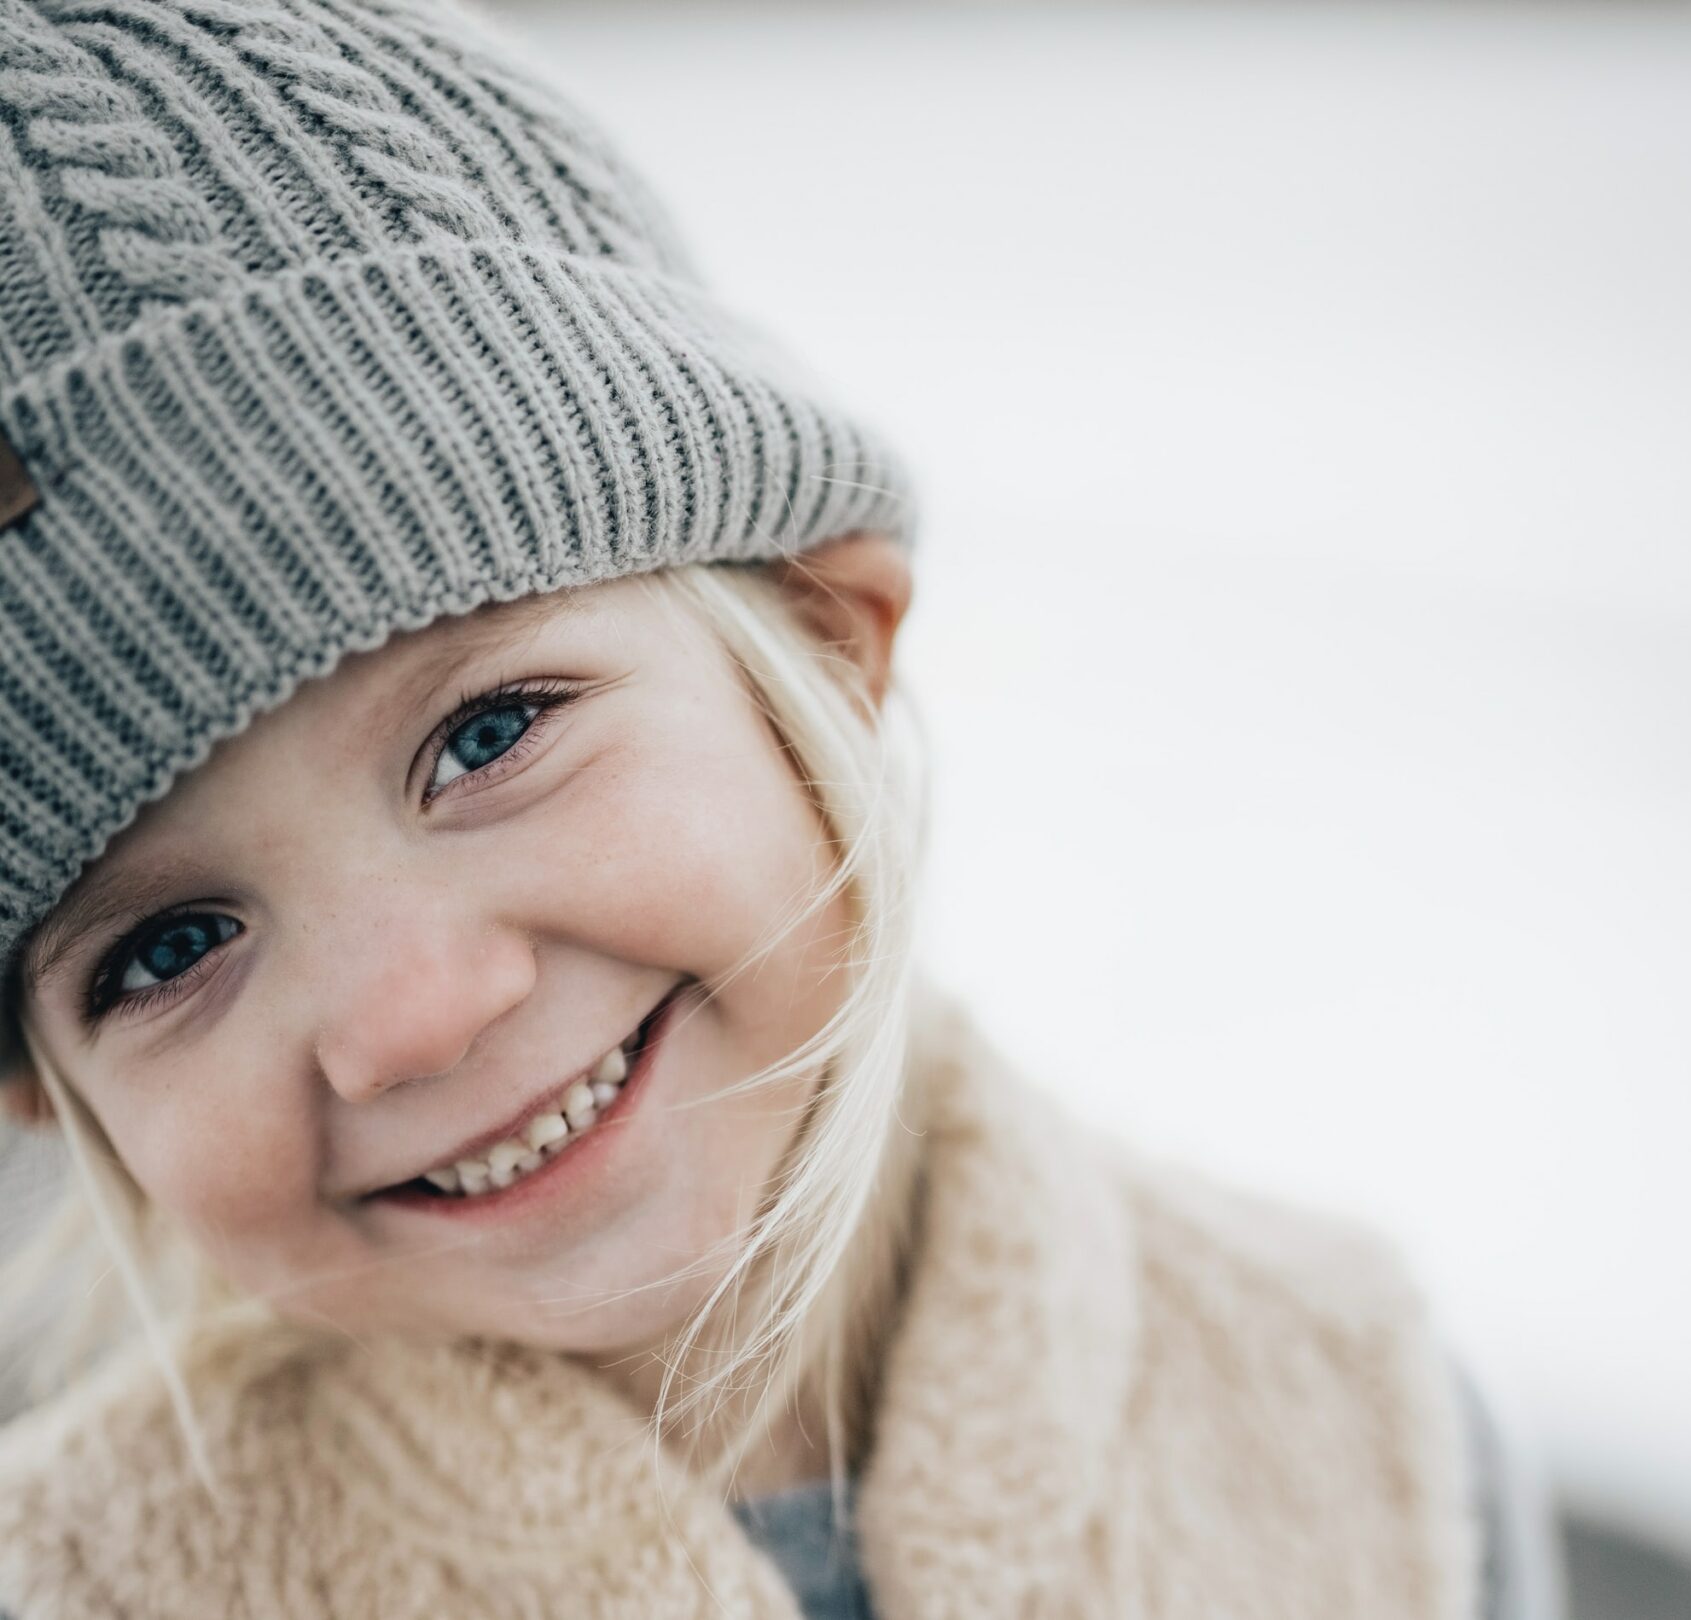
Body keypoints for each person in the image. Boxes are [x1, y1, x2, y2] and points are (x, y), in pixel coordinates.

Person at [0, 1, 1553, 1615]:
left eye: (489, 737)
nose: (414, 1017)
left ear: (821, 631)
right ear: (48, 1089)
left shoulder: (1356, 1411)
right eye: (170, 944)